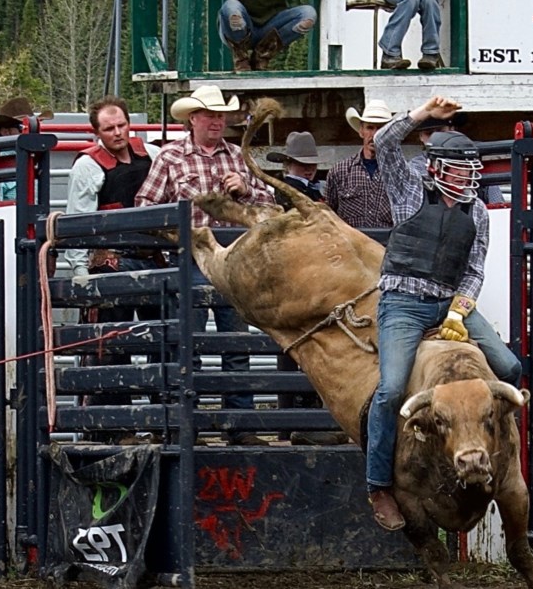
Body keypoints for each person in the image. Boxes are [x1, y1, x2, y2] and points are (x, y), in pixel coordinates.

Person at [365, 95, 522, 531]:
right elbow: (384, 142)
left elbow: (474, 270)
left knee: (509, 367)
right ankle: (379, 483)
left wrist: (458, 310)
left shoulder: (478, 210)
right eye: (459, 167)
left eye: (471, 168)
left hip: (450, 300)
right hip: (402, 301)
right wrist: (421, 114)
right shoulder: (410, 188)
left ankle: (498, 459)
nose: (469, 176)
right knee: (392, 389)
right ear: (436, 168)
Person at [136, 85, 276, 446]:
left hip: (234, 257)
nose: (217, 121)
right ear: (193, 119)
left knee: (236, 345)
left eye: (221, 115)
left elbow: (270, 203)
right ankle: (189, 425)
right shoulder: (169, 157)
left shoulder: (239, 157)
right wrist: (174, 229)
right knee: (189, 344)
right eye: (210, 115)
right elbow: (144, 206)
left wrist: (245, 189)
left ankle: (240, 426)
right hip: (192, 257)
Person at [65, 97, 163, 441]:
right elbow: (78, 220)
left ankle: (162, 420)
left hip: (152, 258)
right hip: (110, 263)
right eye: (109, 128)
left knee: (160, 341)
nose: (118, 132)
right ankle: (117, 426)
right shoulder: (87, 167)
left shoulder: (151, 154)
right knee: (113, 345)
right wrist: (82, 276)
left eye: (121, 125)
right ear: (97, 132)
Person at [266, 131, 348, 446]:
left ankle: (297, 422)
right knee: (299, 348)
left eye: (309, 163)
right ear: (290, 163)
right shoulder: (288, 195)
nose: (308, 168)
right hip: (297, 280)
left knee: (300, 349)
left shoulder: (297, 193)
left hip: (303, 280)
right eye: (302, 163)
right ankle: (298, 422)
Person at [326, 100, 394, 229]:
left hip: (389, 244)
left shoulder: (399, 172)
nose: (375, 135)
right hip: (352, 245)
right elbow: (330, 216)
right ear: (361, 131)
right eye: (370, 127)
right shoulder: (340, 171)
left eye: (381, 128)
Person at [408, 115, 504, 204]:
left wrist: (498, 208)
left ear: (452, 129)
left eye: (440, 131)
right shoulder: (416, 166)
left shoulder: (472, 159)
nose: (435, 137)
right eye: (429, 133)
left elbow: (495, 198)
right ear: (421, 137)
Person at [0, 97, 52, 201]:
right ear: (5, 132)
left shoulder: (30, 156)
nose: (31, 131)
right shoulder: (3, 160)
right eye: (23, 127)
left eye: (33, 127)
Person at [267, 130, 324, 211]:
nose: (309, 168)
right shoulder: (288, 190)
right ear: (288, 165)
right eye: (302, 164)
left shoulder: (309, 187)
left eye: (313, 163)